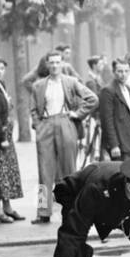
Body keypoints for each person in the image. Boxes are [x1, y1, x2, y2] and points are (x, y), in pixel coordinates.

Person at [30, 49, 98, 222]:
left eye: (57, 62)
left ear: (62, 64)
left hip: (65, 123)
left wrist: (78, 114)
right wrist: (38, 126)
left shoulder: (70, 82)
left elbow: (92, 99)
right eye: (51, 62)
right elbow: (32, 109)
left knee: (69, 170)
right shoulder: (38, 85)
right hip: (45, 125)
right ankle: (43, 212)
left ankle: (73, 209)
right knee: (44, 171)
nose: (54, 65)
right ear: (47, 64)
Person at [0, 57, 25, 225]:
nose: (0, 71)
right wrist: (1, 137)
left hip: (6, 134)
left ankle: (8, 206)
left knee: (8, 172)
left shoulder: (0, 85)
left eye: (2, 68)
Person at [99, 57, 130, 161]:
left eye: (126, 71)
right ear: (113, 72)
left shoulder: (128, 89)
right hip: (119, 143)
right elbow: (107, 121)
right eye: (120, 71)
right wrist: (114, 145)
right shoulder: (108, 91)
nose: (123, 74)